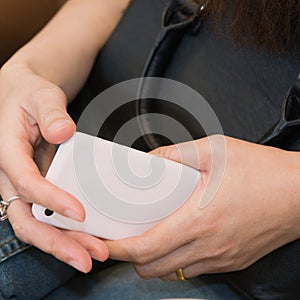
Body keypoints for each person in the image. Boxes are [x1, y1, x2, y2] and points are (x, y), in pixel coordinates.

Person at [0, 0, 299, 299]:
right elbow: (95, 12)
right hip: (78, 156)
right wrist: (22, 74)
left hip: (248, 264)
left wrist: (291, 192)